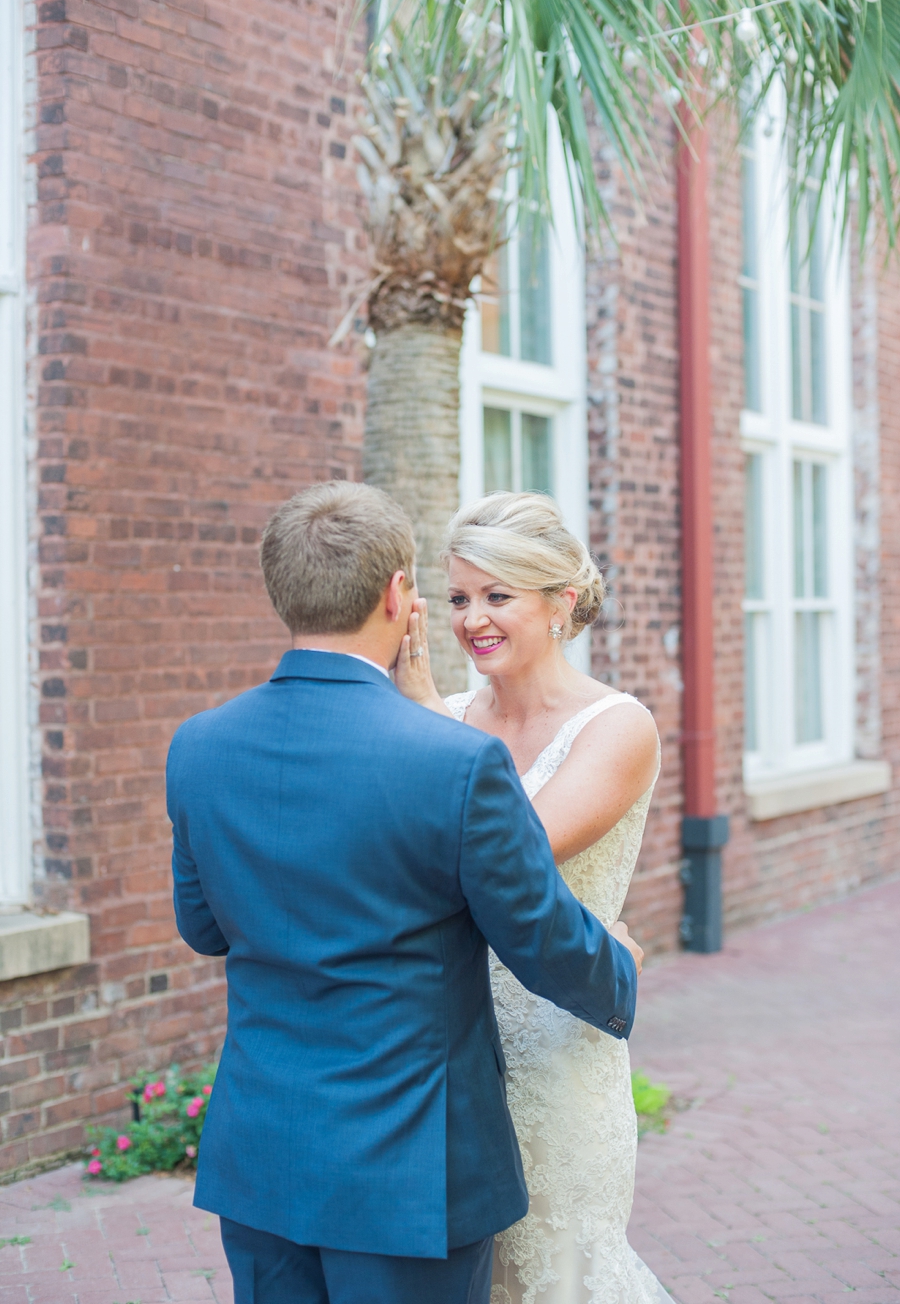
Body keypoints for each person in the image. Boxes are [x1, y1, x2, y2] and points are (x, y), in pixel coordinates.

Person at [167, 480, 644, 1304]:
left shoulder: (198, 745)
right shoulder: (453, 760)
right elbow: (537, 935)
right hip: (410, 1166)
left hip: (263, 1150)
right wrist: (623, 969)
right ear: (400, 594)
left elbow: (205, 928)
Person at [395, 490, 670, 1304]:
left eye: (496, 596)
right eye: (457, 598)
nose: (472, 619)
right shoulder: (441, 715)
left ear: (561, 603)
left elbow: (513, 854)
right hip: (445, 1049)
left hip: (558, 1045)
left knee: (565, 1274)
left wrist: (423, 725)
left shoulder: (617, 727)